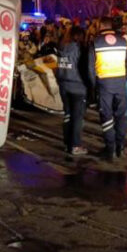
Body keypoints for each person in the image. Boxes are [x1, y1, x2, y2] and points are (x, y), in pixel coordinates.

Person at [88, 17, 127, 160]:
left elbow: (90, 69)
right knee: (121, 116)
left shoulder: (95, 43)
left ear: (100, 26)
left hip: (104, 83)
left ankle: (110, 148)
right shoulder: (123, 41)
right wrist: (123, 79)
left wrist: (94, 85)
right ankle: (121, 147)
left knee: (106, 116)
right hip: (119, 82)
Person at [57, 26, 90, 156]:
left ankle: (67, 143)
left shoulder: (62, 48)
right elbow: (84, 69)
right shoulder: (80, 49)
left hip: (64, 85)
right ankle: (75, 145)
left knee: (68, 115)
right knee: (77, 117)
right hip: (78, 86)